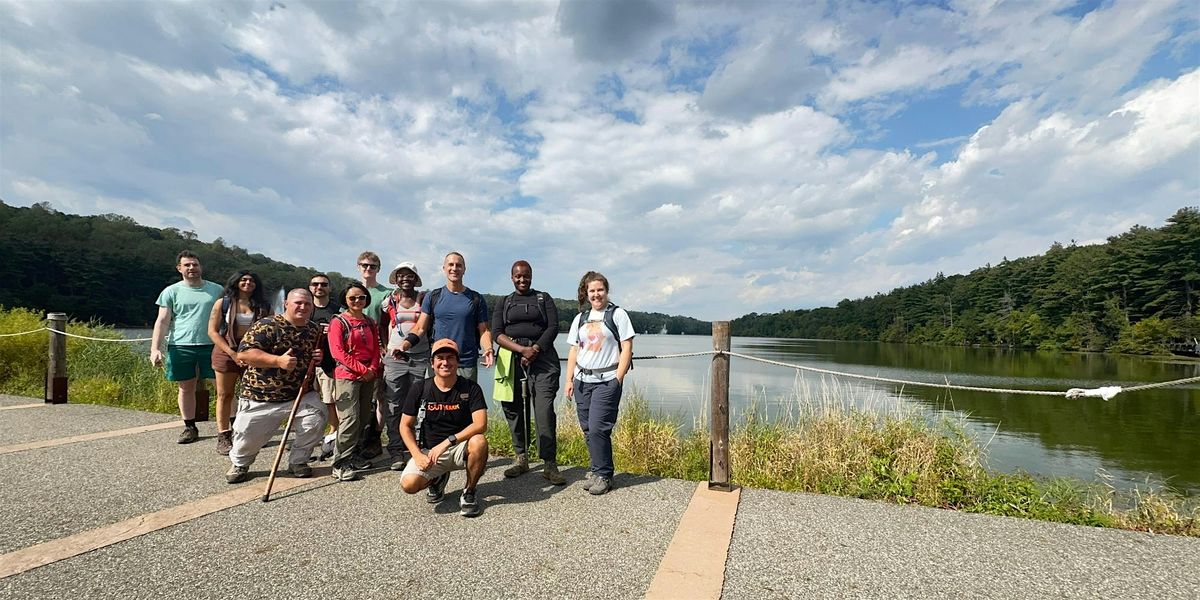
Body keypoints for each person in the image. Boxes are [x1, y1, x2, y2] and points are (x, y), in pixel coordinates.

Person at [225, 289, 326, 483]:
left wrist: (319, 357)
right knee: (248, 436)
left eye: (307, 304)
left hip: (299, 394)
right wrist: (277, 361)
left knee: (315, 419)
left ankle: (299, 461)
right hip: (261, 395)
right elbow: (244, 354)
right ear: (286, 304)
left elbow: (316, 356)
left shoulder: (314, 330)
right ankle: (240, 463)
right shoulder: (267, 325)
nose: (303, 307)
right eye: (298, 303)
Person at [490, 260, 564, 484]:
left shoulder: (544, 298)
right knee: (513, 409)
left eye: (526, 276)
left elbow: (553, 327)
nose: (522, 280)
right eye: (518, 276)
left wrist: (535, 349)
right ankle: (521, 458)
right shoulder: (504, 302)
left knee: (543, 411)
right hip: (511, 358)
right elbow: (496, 333)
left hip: (543, 359)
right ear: (511, 277)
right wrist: (521, 350)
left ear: (532, 276)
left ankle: (549, 463)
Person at [398, 339, 489, 518]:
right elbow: (405, 426)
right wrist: (417, 455)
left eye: (450, 358)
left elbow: (481, 424)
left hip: (459, 447)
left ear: (457, 362)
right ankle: (436, 478)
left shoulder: (471, 388)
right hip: (429, 452)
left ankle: (469, 492)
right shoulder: (420, 388)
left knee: (479, 441)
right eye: (440, 358)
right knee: (409, 484)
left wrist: (448, 441)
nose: (445, 362)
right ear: (432, 363)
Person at [564, 271, 635, 496]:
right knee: (587, 429)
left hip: (606, 380)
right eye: (592, 291)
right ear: (586, 293)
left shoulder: (618, 315)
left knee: (598, 428)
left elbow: (627, 348)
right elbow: (574, 349)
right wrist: (569, 379)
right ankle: (596, 470)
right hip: (583, 380)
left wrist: (618, 378)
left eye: (600, 290)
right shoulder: (581, 318)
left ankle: (605, 474)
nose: (596, 295)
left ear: (606, 291)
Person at [151, 250, 224, 444]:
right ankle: (190, 427)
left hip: (213, 344)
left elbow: (229, 316)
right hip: (180, 344)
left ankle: (228, 428)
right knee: (186, 387)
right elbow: (162, 321)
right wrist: (155, 349)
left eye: (195, 264)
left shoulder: (217, 290)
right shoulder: (171, 291)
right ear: (179, 268)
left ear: (201, 267)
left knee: (223, 388)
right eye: (187, 265)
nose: (192, 268)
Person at [396, 251, 493, 381]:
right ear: (444, 268)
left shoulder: (476, 298)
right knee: (436, 401)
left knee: (466, 400)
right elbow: (420, 328)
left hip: (466, 363)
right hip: (439, 362)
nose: (454, 268)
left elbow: (484, 331)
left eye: (458, 265)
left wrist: (489, 349)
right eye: (450, 265)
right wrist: (404, 345)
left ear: (464, 269)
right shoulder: (432, 297)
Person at [206, 270, 272, 455]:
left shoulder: (263, 306)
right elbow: (212, 331)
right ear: (236, 282)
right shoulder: (223, 303)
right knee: (224, 395)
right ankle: (223, 435)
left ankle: (249, 433)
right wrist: (233, 353)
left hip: (253, 353)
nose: (248, 283)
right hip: (226, 352)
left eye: (252, 280)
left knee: (254, 395)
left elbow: (272, 329)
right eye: (243, 279)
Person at [326, 282, 382, 482]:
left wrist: (373, 368)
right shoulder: (339, 322)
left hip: (368, 374)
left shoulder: (369, 322)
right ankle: (340, 462)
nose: (357, 301)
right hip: (348, 375)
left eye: (361, 297)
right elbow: (337, 352)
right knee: (349, 418)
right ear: (345, 300)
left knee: (364, 416)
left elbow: (376, 347)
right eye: (352, 298)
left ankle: (354, 453)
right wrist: (362, 370)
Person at [381, 261, 431, 471]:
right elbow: (382, 324)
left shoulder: (424, 299)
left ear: (415, 279)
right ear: (396, 278)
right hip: (395, 358)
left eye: (409, 275)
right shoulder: (389, 301)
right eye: (401, 275)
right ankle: (395, 450)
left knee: (418, 404)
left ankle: (414, 448)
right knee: (394, 404)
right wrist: (384, 347)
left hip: (420, 357)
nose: (405, 278)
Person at [356, 251, 389, 459]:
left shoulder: (385, 293)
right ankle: (357, 438)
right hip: (355, 354)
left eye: (373, 266)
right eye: (365, 265)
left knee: (380, 397)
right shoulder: (351, 292)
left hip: (378, 352)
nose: (368, 269)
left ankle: (375, 437)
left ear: (378, 269)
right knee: (357, 398)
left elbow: (390, 322)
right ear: (358, 266)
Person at [308, 273, 342, 434]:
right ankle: (309, 432)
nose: (319, 287)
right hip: (305, 362)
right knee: (305, 399)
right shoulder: (305, 307)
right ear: (310, 287)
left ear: (330, 288)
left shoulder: (337, 309)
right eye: (315, 284)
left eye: (323, 284)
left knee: (329, 399)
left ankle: (333, 431)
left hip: (328, 362)